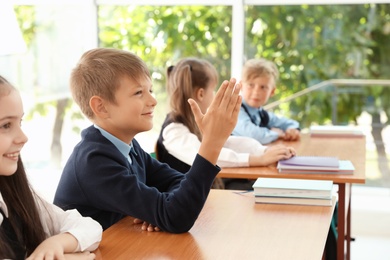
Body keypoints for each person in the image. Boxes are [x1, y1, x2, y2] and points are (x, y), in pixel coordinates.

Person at [53, 48, 242, 233]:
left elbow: (178, 182)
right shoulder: (94, 161)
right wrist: (212, 143)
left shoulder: (127, 147)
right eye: (138, 93)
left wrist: (159, 211)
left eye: (150, 90)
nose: (153, 100)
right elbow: (177, 217)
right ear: (101, 107)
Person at [0, 75, 102, 259]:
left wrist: (56, 243)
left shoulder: (13, 192)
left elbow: (90, 228)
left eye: (19, 122)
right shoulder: (96, 156)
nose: (23, 137)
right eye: (6, 125)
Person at [156, 58, 296, 190]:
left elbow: (225, 142)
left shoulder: (195, 121)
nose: (215, 94)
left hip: (206, 194)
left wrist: (264, 151)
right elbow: (207, 156)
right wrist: (258, 159)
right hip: (190, 203)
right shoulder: (174, 129)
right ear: (201, 94)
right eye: (213, 90)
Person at [232, 58, 300, 144]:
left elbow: (287, 122)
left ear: (272, 91)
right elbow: (252, 135)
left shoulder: (262, 114)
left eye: (263, 87)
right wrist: (275, 133)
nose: (256, 92)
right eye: (251, 85)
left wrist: (292, 129)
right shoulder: (235, 110)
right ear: (241, 86)